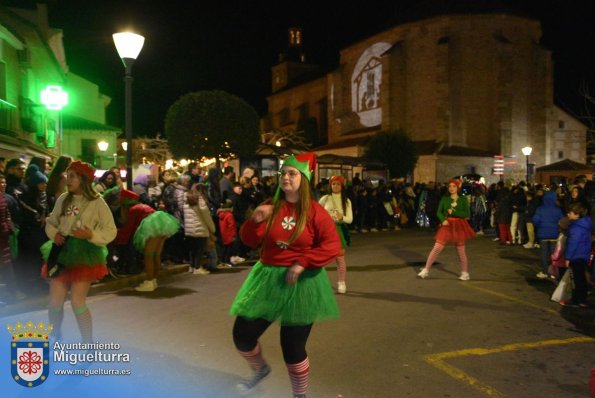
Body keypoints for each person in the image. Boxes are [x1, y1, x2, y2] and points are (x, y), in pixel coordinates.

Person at [230, 153, 341, 398]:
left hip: (303, 284)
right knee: (242, 336)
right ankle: (260, 370)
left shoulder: (315, 212)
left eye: (292, 173)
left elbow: (332, 246)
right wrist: (255, 221)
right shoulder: (271, 206)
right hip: (267, 280)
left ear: (304, 179)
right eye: (283, 173)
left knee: (292, 348)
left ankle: (299, 395)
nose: (286, 177)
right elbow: (249, 240)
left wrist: (303, 262)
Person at [41, 160, 117, 343]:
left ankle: (87, 342)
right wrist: (54, 235)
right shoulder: (63, 199)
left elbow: (110, 230)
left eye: (73, 176)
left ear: (83, 179)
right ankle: (55, 334)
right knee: (54, 302)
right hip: (61, 251)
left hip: (85, 255)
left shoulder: (97, 202)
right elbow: (51, 223)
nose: (68, 179)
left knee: (77, 301)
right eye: (67, 176)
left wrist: (91, 234)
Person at [115, 189, 180, 291]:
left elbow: (129, 228)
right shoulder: (141, 205)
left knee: (148, 256)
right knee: (155, 255)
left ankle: (149, 282)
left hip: (152, 228)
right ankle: (153, 280)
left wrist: (116, 234)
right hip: (162, 225)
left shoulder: (133, 210)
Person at [418, 179, 475, 280]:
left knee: (461, 251)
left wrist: (453, 213)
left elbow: (466, 214)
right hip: (447, 225)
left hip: (459, 226)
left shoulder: (462, 199)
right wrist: (443, 219)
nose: (451, 188)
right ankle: (426, 270)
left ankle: (465, 272)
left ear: (458, 188)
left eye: (454, 186)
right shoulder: (445, 198)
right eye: (450, 186)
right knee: (436, 248)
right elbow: (439, 212)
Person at [319, 175, 353, 294]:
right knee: (320, 259)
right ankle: (320, 282)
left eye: (338, 184)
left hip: (338, 230)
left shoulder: (347, 201)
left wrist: (341, 217)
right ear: (330, 185)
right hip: (325, 231)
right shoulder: (325, 199)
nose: (336, 186)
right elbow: (316, 213)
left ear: (342, 186)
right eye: (333, 184)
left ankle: (341, 282)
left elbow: (350, 219)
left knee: (340, 258)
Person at [560, 202, 592, 307]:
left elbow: (572, 244)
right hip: (584, 255)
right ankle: (582, 299)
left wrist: (568, 257)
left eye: (570, 213)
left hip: (575, 256)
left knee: (576, 281)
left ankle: (577, 300)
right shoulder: (585, 225)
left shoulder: (575, 228)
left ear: (577, 214)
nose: (568, 215)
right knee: (582, 279)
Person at [183, 183, 216, 275]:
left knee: (192, 249)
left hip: (189, 229)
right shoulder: (200, 200)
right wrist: (212, 229)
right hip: (199, 228)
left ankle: (192, 266)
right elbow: (206, 217)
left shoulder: (186, 198)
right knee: (199, 250)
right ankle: (197, 267)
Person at [533, 190, 564, 279]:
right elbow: (562, 221)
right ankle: (553, 272)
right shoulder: (558, 210)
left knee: (544, 253)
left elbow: (536, 220)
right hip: (554, 234)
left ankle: (545, 271)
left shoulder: (540, 209)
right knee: (553, 254)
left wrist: (539, 227)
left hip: (543, 234)